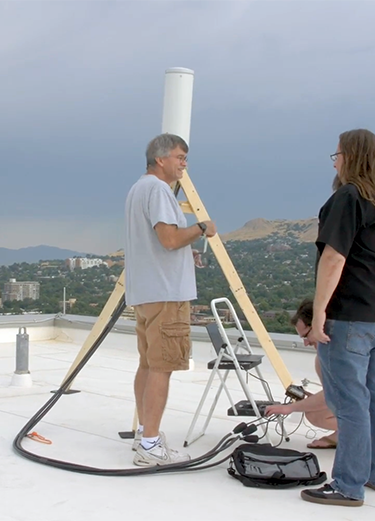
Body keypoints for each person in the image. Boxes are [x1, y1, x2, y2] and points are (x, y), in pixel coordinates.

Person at [299, 129, 375, 507]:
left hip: (350, 317)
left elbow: (334, 259)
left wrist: (318, 316)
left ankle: (347, 484)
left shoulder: (348, 198)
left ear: (352, 157)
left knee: (349, 402)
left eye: (338, 154)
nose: (336, 161)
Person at [124, 133, 216, 466]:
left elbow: (157, 243)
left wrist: (183, 252)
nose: (184, 164)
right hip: (166, 295)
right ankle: (150, 445)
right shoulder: (160, 190)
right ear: (161, 159)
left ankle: (144, 436)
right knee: (162, 368)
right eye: (180, 157)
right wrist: (201, 228)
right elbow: (168, 238)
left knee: (148, 365)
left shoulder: (138, 189)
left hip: (146, 292)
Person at [265, 299, 375, 451]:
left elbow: (331, 396)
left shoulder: (345, 351)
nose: (306, 343)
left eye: (306, 336)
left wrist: (290, 408)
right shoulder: (349, 338)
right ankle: (355, 433)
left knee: (316, 412)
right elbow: (337, 394)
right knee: (315, 413)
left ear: (320, 325)